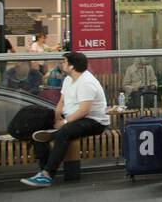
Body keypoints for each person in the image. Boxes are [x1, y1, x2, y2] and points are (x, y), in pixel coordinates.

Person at [20, 52, 110, 189]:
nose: (62, 64)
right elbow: (62, 101)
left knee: (64, 132)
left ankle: (47, 175)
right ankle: (44, 170)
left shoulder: (87, 82)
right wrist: (56, 117)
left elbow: (84, 110)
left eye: (64, 62)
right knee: (38, 128)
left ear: (72, 66)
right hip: (73, 117)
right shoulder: (68, 79)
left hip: (93, 121)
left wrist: (65, 122)